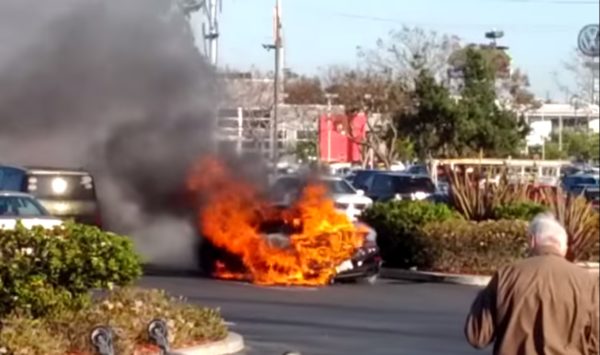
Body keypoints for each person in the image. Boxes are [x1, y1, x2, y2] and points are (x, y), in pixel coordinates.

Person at [465, 213, 599, 355]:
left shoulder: (507, 275)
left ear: (533, 241)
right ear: (563, 247)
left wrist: (484, 296)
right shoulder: (588, 282)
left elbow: (477, 335)